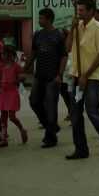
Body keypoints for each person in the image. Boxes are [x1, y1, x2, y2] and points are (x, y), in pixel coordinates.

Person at [66, 0, 99, 160]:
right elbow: (67, 48)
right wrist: (72, 30)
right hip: (76, 75)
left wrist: (86, 75)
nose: (78, 13)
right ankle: (81, 149)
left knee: (92, 111)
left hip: (92, 76)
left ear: (91, 11)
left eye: (81, 10)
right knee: (75, 114)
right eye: (78, 10)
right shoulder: (77, 26)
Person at [25, 8, 67, 149]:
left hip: (52, 77)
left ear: (49, 19)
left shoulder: (58, 35)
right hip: (39, 75)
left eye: (41, 18)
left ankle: (50, 138)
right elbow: (33, 53)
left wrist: (59, 75)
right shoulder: (37, 34)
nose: (39, 20)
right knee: (34, 102)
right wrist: (25, 69)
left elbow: (64, 56)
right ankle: (52, 126)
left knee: (50, 107)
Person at [0, 45, 28, 148]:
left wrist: (19, 79)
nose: (2, 55)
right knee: (2, 117)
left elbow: (23, 77)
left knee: (12, 117)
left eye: (3, 53)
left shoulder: (16, 66)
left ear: (9, 55)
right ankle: (4, 139)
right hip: (3, 93)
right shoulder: (1, 66)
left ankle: (22, 129)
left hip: (12, 92)